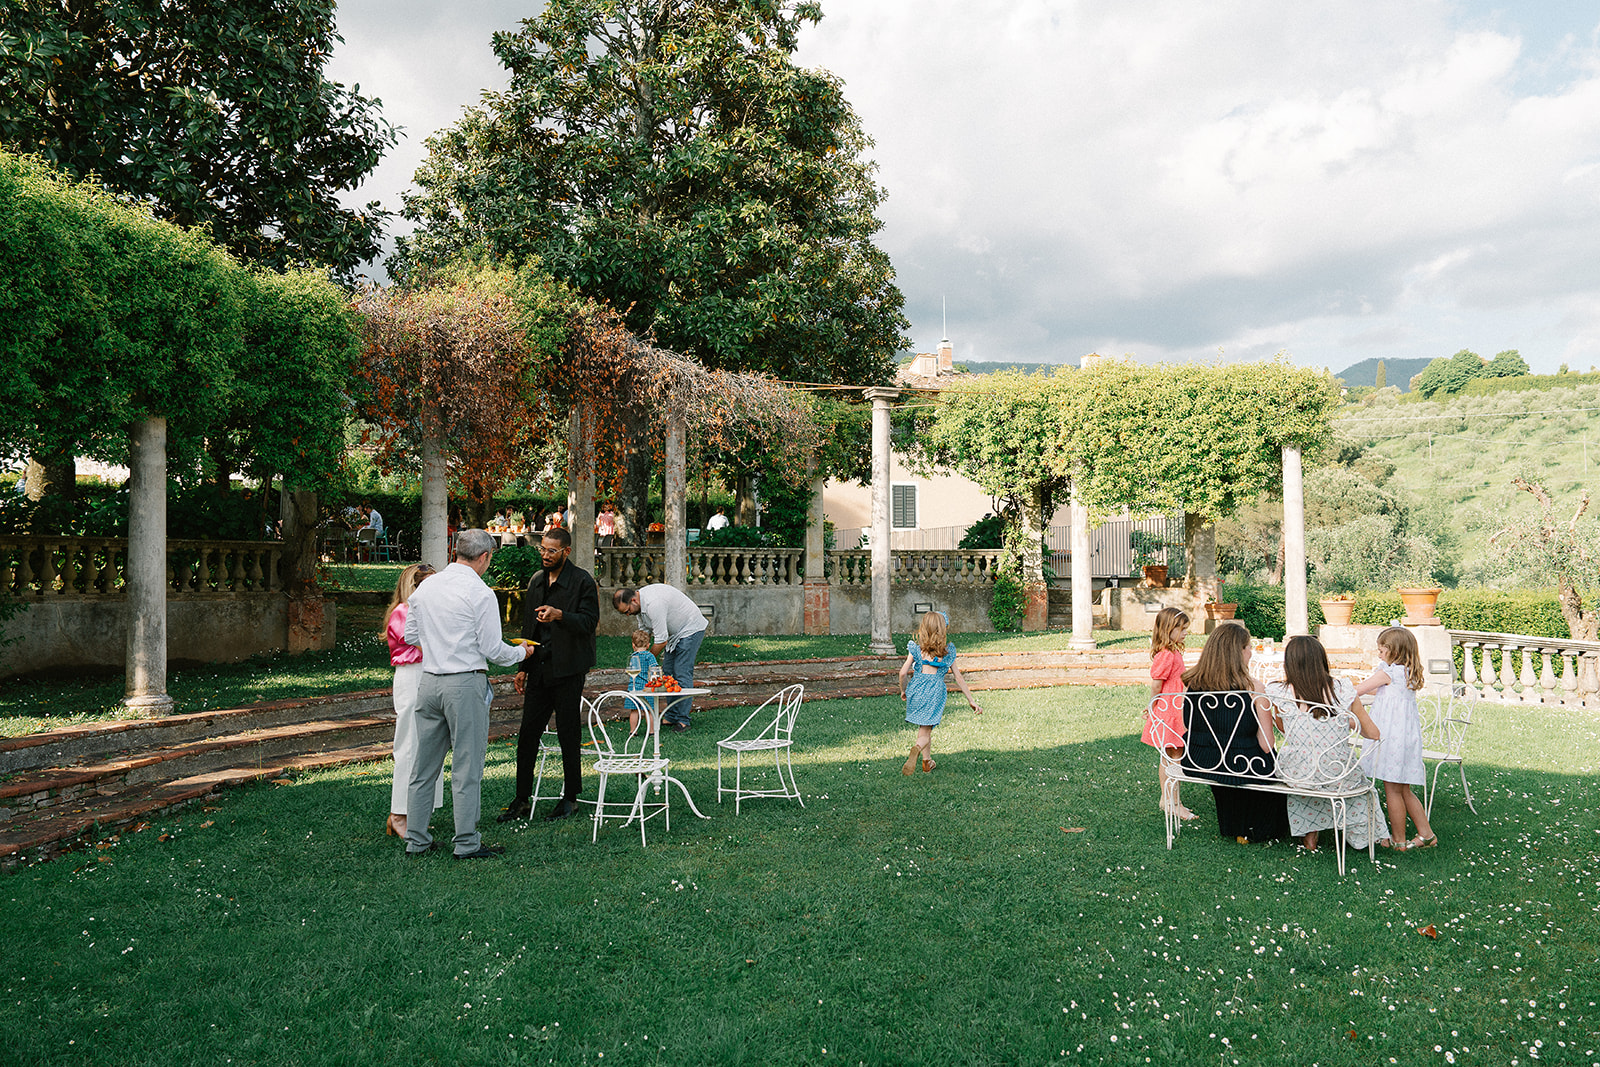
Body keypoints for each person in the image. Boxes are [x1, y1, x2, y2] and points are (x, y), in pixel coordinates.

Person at [402, 529, 535, 860]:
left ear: (456, 551)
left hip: (429, 682)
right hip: (463, 683)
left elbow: (410, 635)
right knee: (466, 766)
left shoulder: (427, 585)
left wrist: (439, 643)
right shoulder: (480, 592)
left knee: (423, 767)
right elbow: (493, 649)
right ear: (485, 557)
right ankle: (466, 842)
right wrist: (522, 653)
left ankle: (416, 839)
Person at [498, 526, 600, 823]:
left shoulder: (582, 581)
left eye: (551, 551)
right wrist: (522, 668)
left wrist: (560, 615)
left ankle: (570, 798)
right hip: (539, 667)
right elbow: (529, 627)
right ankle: (521, 799)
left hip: (568, 668)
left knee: (569, 733)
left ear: (566, 551)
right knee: (528, 734)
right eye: (542, 549)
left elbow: (590, 623)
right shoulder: (536, 581)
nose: (545, 555)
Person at [1265, 635, 1382, 851]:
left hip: (1297, 770)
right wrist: (1343, 722)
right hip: (1337, 769)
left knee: (1309, 779)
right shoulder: (1343, 689)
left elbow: (1283, 728)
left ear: (1289, 663)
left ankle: (1310, 834)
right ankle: (1368, 836)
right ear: (1322, 660)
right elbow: (1373, 733)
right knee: (1352, 782)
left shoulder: (1278, 691)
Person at [1179, 621, 1289, 844]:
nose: (1251, 653)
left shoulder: (1193, 685)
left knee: (1234, 767)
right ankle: (1251, 829)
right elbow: (1267, 744)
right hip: (1243, 764)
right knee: (1269, 767)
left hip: (1200, 759)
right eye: (1249, 647)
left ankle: (1234, 824)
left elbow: (1188, 724)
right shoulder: (1254, 688)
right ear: (1238, 651)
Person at [1356, 627, 1438, 850]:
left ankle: (1398, 839)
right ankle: (1427, 834)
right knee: (1403, 789)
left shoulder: (1388, 673)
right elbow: (1379, 691)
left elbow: (1358, 691)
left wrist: (1336, 688)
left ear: (1394, 651)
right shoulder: (1407, 672)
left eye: (1382, 650)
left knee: (1392, 789)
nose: (1379, 654)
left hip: (1390, 737)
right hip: (1405, 738)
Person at [383, 564, 443, 839]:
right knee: (409, 744)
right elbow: (424, 643)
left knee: (431, 743)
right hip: (412, 674)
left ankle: (419, 810)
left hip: (431, 673)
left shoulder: (428, 611)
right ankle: (398, 813)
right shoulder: (403, 612)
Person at [612, 584, 708, 731]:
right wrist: (640, 649)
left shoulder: (654, 604)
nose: (627, 615)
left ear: (633, 600)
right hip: (674, 633)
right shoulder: (639, 606)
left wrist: (645, 659)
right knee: (668, 671)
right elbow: (645, 631)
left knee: (681, 672)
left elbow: (661, 640)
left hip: (690, 628)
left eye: (627, 611)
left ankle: (683, 720)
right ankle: (671, 715)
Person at [897, 610, 982, 774]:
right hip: (934, 691)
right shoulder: (947, 652)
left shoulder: (916, 649)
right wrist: (971, 700)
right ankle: (917, 748)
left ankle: (927, 762)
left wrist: (903, 690)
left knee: (924, 725)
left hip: (916, 689)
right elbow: (959, 677)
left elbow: (902, 673)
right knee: (925, 730)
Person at [1140, 606, 1196, 821]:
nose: (1185, 632)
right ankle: (1172, 802)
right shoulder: (1166, 655)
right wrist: (1152, 706)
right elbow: (1157, 685)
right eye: (1182, 629)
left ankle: (1168, 800)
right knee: (1173, 759)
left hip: (1176, 710)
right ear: (1168, 629)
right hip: (1169, 712)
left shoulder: (1173, 653)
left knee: (1172, 757)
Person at [625, 629, 659, 736]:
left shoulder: (633, 657)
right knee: (649, 710)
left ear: (633, 645)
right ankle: (651, 731)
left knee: (634, 710)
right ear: (648, 645)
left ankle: (633, 731)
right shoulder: (650, 656)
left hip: (634, 687)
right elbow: (654, 670)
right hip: (646, 688)